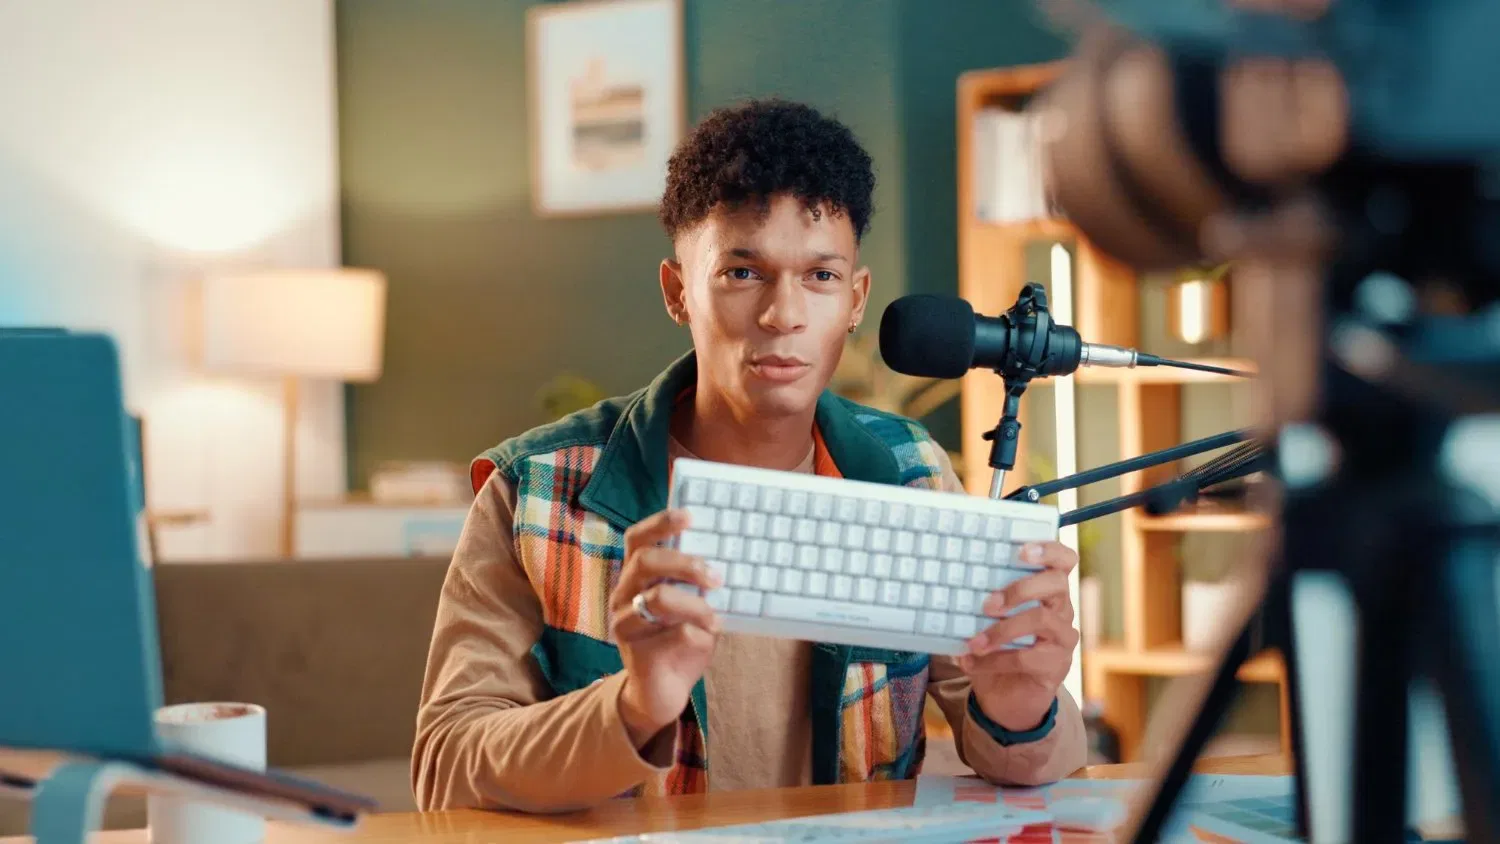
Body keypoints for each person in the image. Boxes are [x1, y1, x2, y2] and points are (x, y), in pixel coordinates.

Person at [411, 99, 1087, 813]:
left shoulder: (910, 468)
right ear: (678, 292)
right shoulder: (536, 492)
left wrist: (1020, 707)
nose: (783, 315)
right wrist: (634, 707)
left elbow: (1038, 759)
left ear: (856, 300)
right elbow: (446, 766)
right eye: (742, 273)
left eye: (820, 277)